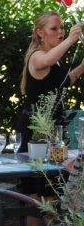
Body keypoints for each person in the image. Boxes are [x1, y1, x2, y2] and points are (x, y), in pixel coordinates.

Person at [17, 12, 84, 148]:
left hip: (55, 127)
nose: (60, 32)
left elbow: (64, 81)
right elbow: (47, 60)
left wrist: (82, 67)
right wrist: (70, 39)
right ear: (40, 33)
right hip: (36, 128)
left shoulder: (55, 58)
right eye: (54, 29)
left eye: (62, 28)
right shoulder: (37, 56)